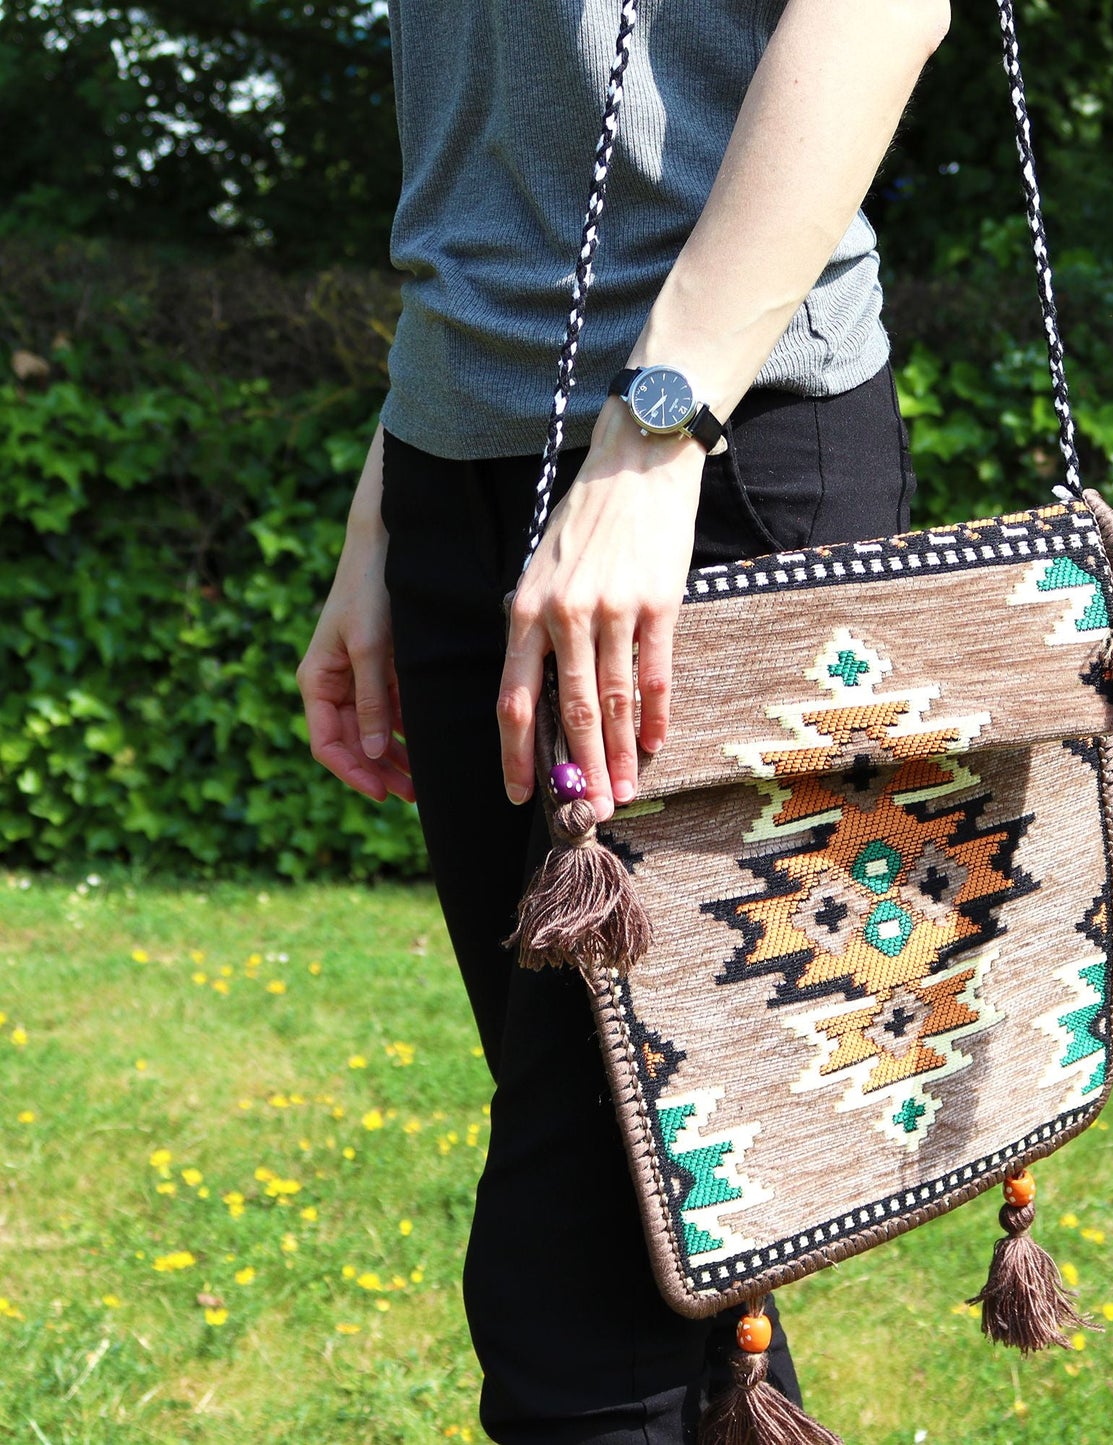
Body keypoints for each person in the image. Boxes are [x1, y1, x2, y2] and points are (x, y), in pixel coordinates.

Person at [296, 1, 952, 1439]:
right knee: (660, 1237)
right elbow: (489, 144)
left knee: (573, 1277)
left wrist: (658, 429)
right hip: (464, 469)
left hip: (710, 458)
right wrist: (385, 518)